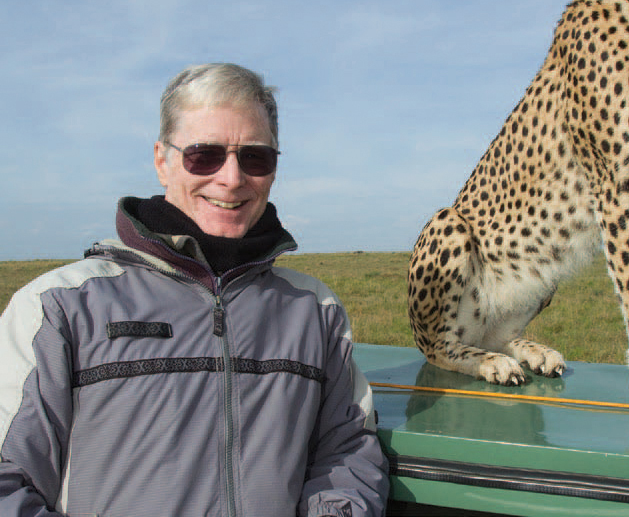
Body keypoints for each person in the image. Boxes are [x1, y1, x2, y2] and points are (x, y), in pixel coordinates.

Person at [0, 63, 390, 516]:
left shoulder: (315, 311)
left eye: (255, 157)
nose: (231, 177)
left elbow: (346, 452)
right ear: (162, 160)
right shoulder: (58, 308)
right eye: (204, 155)